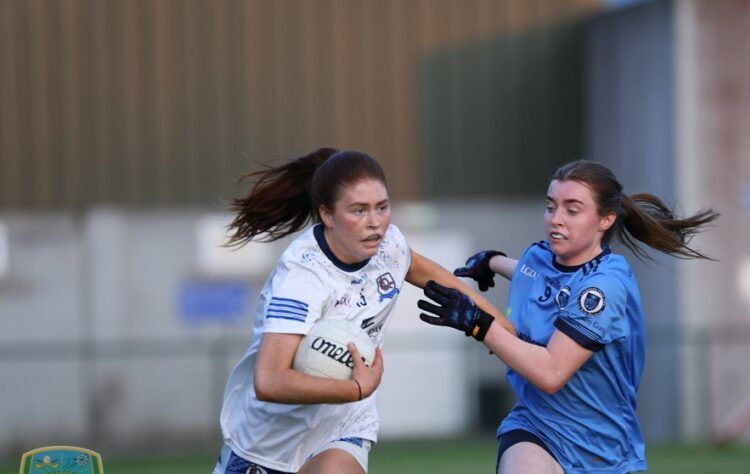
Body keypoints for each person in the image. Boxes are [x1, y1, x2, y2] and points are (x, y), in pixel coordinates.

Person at [213, 148, 513, 474]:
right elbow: (269, 381)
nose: (375, 223)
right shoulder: (302, 277)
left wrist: (501, 331)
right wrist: (356, 388)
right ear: (327, 215)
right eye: (359, 210)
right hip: (268, 444)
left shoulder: (389, 245)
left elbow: (435, 276)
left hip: (344, 425)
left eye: (382, 208)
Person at [417, 159, 718, 474]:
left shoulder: (603, 287)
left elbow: (550, 373)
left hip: (602, 451)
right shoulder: (541, 256)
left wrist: (477, 323)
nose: (556, 219)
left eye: (572, 210)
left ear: (606, 219)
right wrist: (492, 261)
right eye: (551, 207)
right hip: (537, 427)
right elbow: (536, 275)